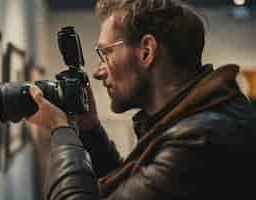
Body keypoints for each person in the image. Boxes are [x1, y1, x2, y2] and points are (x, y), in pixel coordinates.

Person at [26, 0, 256, 199]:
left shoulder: (201, 140)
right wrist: (89, 130)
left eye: (105, 53)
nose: (97, 72)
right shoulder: (192, 120)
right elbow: (130, 186)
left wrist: (61, 131)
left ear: (146, 51)